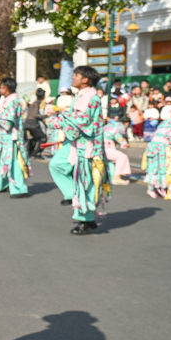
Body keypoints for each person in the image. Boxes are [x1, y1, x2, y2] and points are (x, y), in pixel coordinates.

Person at [47, 66, 108, 235]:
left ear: (85, 79)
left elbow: (81, 121)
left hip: (86, 146)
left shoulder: (91, 97)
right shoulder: (82, 96)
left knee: (85, 182)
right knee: (56, 165)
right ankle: (72, 195)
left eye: (76, 75)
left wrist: (57, 120)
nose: (72, 77)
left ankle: (86, 220)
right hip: (74, 142)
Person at [0, 78, 31, 197]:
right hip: (3, 136)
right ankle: (3, 184)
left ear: (7, 89)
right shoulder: (8, 101)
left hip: (11, 137)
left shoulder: (13, 102)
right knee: (0, 159)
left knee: (13, 162)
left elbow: (8, 123)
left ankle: (19, 188)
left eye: (2, 87)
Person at [103, 118, 131, 185]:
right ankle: (116, 178)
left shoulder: (109, 124)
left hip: (99, 145)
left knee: (111, 161)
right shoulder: (121, 127)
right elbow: (117, 134)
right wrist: (124, 143)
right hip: (106, 146)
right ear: (127, 123)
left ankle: (112, 178)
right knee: (122, 157)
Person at [24, 88, 48, 158]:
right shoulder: (37, 103)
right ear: (43, 96)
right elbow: (36, 115)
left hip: (28, 123)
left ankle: (30, 152)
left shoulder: (34, 103)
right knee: (43, 138)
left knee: (34, 138)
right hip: (33, 124)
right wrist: (47, 115)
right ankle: (36, 153)